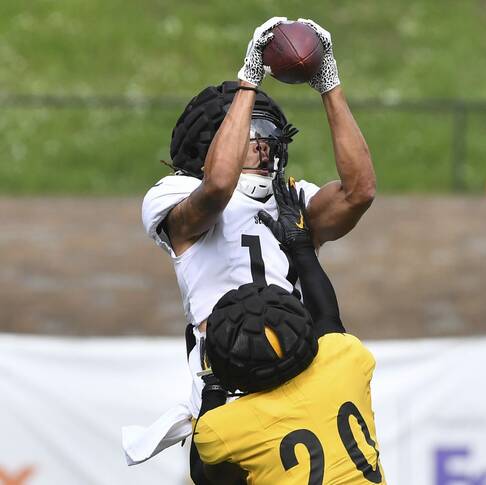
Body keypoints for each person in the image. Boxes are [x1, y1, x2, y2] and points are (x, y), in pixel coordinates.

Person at [133, 15, 375, 481]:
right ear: (212, 143)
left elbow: (358, 191)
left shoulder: (291, 196)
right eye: (248, 136)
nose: (262, 147)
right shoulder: (172, 195)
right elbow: (219, 185)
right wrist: (250, 77)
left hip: (301, 373)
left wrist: (329, 82)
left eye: (267, 137)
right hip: (229, 384)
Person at [192, 172, 386, 484]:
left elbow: (204, 475)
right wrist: (300, 244)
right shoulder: (346, 361)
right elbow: (328, 320)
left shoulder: (223, 428)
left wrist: (213, 385)